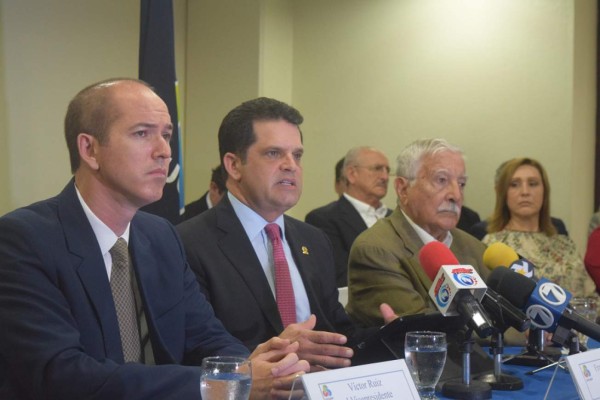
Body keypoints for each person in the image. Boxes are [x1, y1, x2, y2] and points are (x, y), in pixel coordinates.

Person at [0, 79, 309, 400]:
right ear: (89, 149)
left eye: (166, 135)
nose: (164, 152)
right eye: (142, 133)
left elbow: (206, 337)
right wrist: (224, 385)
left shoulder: (161, 235)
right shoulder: (24, 239)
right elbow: (62, 375)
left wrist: (252, 368)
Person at [177, 97, 397, 370]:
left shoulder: (314, 240)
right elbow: (196, 350)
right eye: (273, 153)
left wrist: (389, 336)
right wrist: (283, 353)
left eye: (297, 155)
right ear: (234, 166)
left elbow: (338, 336)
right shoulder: (188, 243)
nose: (291, 165)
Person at [347, 138, 490, 327]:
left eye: (461, 184)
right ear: (403, 189)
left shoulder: (475, 248)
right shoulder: (375, 250)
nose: (456, 195)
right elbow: (424, 329)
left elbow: (507, 319)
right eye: (441, 180)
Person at [482, 157, 595, 297]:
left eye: (533, 184)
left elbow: (591, 297)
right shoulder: (492, 245)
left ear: (544, 191)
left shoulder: (565, 244)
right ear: (503, 193)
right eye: (514, 184)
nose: (525, 192)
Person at [305, 146, 391, 287]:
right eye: (377, 169)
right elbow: (340, 276)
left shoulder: (397, 217)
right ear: (351, 174)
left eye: (387, 170)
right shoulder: (324, 219)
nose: (385, 177)